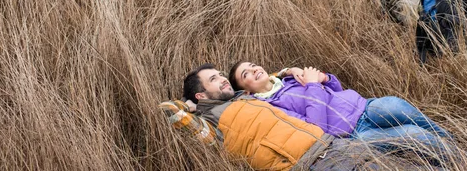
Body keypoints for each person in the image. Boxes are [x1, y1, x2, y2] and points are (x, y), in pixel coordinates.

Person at [164, 63, 447, 170]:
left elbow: (331, 89)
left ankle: (465, 159)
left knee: (399, 116)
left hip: (336, 137)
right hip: (324, 149)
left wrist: (294, 72)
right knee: (412, 137)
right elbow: (172, 112)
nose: (223, 80)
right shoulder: (225, 114)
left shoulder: (259, 93)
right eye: (215, 80)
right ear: (201, 95)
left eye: (222, 76)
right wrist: (189, 106)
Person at [228, 62, 459, 161]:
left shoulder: (289, 78)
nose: (253, 70)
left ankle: (454, 143)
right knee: (414, 136)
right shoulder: (270, 109)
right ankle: (464, 161)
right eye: (245, 74)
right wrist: (313, 85)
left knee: (395, 105)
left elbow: (336, 89)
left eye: (252, 65)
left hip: (363, 107)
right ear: (246, 91)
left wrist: (325, 78)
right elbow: (314, 125)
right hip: (351, 136)